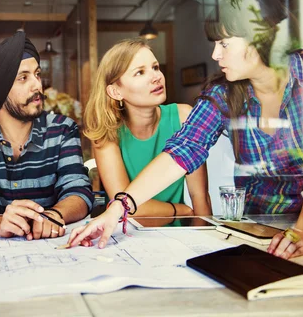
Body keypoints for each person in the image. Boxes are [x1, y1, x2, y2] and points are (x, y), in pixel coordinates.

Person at [68, 0, 303, 259]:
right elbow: (183, 151)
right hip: (264, 233)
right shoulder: (223, 93)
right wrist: (119, 208)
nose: (216, 55)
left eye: (224, 44)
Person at [0, 31, 93, 240]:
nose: (37, 85)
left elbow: (78, 190)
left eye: (37, 74)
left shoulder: (62, 130)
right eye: (23, 78)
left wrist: (54, 215)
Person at [83, 38, 211, 217]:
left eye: (156, 67)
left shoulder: (184, 117)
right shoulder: (106, 135)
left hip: (181, 236)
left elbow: (200, 198)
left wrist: (204, 243)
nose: (156, 77)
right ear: (115, 92)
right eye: (140, 72)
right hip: (128, 237)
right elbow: (127, 211)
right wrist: (180, 211)